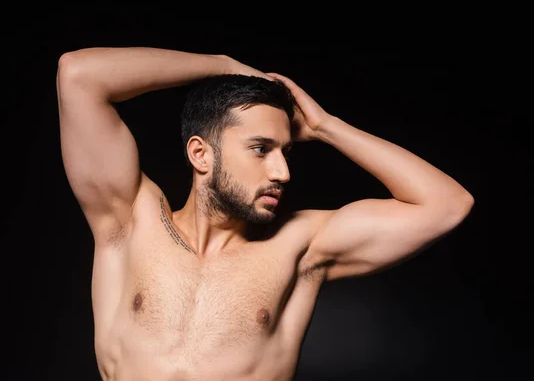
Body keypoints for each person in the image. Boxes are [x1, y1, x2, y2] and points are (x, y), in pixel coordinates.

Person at [56, 47, 474, 380]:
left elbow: (447, 206)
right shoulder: (130, 220)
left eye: (286, 152)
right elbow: (79, 75)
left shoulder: (300, 248)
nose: (283, 172)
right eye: (261, 149)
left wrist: (327, 127)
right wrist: (223, 66)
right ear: (201, 154)